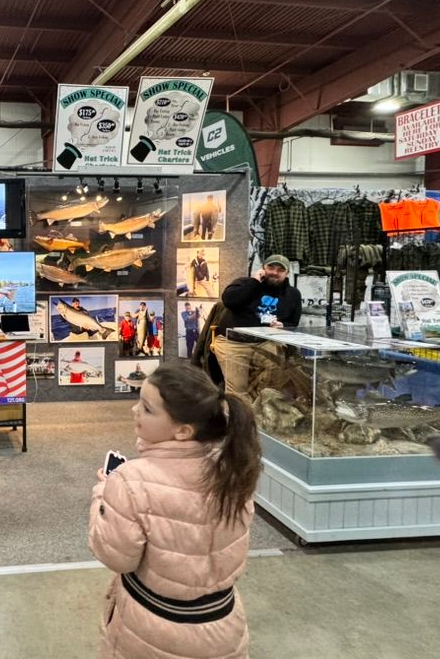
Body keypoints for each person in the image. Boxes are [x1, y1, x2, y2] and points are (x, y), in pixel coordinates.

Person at [89, 363, 261, 658]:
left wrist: (102, 495)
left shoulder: (129, 480)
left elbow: (117, 556)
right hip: (225, 628)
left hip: (152, 631)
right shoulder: (234, 470)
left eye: (147, 408)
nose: (134, 411)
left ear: (183, 431)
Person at [212, 254, 302, 402]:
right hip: (234, 342)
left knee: (275, 384)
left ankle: (261, 416)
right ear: (263, 269)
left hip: (265, 342)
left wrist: (283, 325)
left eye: (280, 270)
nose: (274, 272)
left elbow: (293, 323)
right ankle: (240, 422)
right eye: (271, 267)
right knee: (238, 391)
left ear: (287, 274)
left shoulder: (293, 294)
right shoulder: (244, 283)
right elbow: (230, 300)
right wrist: (254, 282)